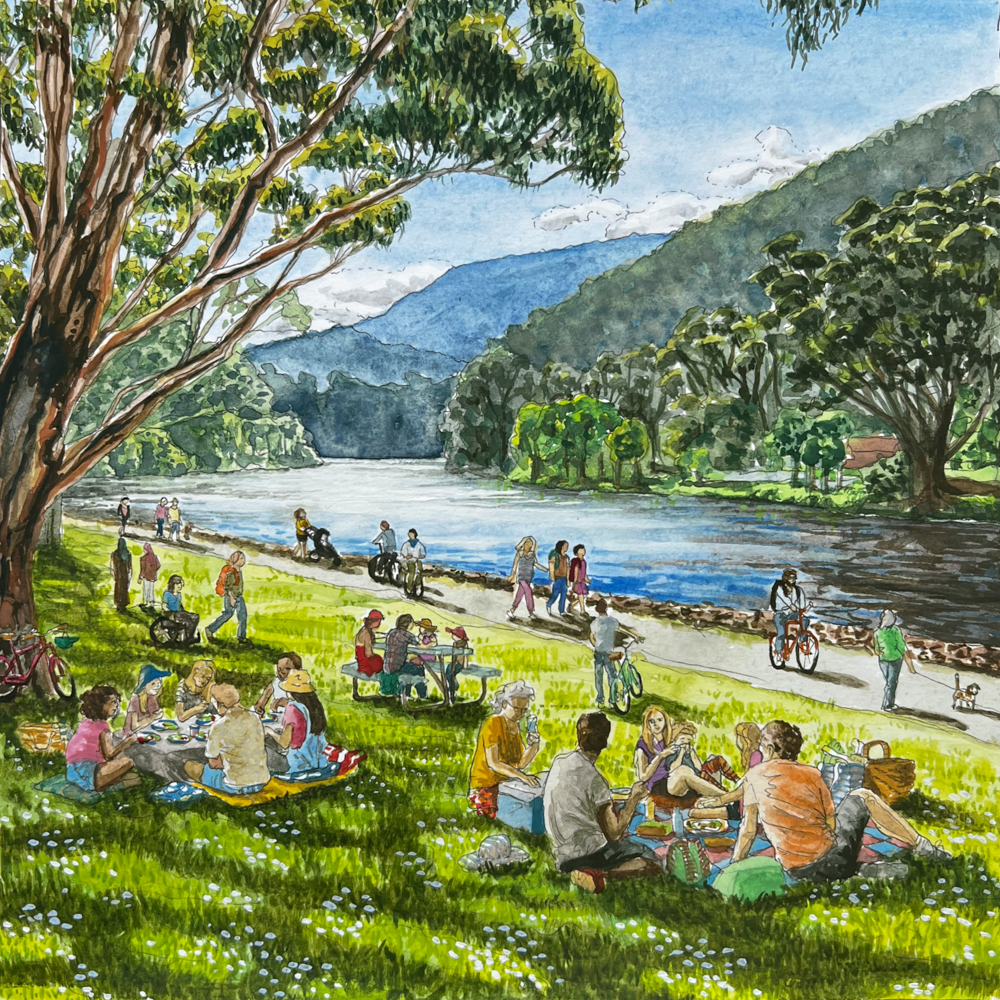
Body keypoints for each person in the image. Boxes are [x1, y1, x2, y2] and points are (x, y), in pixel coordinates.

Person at [731, 720, 950, 880]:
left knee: (830, 854)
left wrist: (735, 865)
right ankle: (923, 848)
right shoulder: (812, 774)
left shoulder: (754, 776)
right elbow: (831, 821)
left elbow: (748, 830)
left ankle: (859, 872)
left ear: (769, 749)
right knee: (862, 796)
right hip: (832, 859)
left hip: (796, 871)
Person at [543, 711, 661, 894]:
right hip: (587, 854)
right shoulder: (596, 781)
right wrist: (634, 798)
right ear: (604, 742)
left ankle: (587, 873)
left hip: (560, 853)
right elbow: (614, 834)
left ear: (579, 737)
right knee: (651, 859)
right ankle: (599, 876)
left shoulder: (559, 762)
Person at [468, 680, 541, 817]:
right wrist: (522, 777)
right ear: (504, 704)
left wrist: (534, 745)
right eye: (517, 708)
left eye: (524, 710)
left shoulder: (514, 726)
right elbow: (494, 763)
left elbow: (520, 764)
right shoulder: (493, 723)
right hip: (485, 786)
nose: (520, 714)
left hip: (506, 785)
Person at [184, 683, 269, 795]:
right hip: (260, 782)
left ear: (220, 705)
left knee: (190, 766)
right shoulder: (255, 717)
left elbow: (214, 764)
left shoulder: (218, 726)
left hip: (233, 786)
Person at [66, 686, 140, 793]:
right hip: (88, 773)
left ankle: (109, 781)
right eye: (112, 702)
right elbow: (109, 755)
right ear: (100, 705)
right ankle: (113, 786)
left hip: (72, 771)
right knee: (128, 762)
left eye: (116, 702)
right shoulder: (102, 727)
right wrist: (127, 743)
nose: (116, 706)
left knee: (118, 765)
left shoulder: (86, 722)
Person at [266, 667, 329, 773]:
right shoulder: (315, 707)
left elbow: (284, 743)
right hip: (317, 762)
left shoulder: (292, 708)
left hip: (297, 764)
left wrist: (269, 730)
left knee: (264, 745)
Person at [867, 609, 916, 712]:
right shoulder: (895, 631)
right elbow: (902, 649)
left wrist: (882, 653)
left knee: (889, 683)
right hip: (895, 660)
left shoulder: (878, 632)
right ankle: (887, 705)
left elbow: (877, 650)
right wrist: (910, 666)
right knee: (891, 683)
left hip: (883, 660)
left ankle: (888, 703)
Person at [205, 551, 249, 644]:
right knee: (227, 614)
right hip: (231, 597)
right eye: (241, 558)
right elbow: (228, 587)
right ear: (235, 560)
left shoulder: (239, 571)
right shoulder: (231, 572)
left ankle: (241, 637)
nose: (243, 561)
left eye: (243, 558)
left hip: (239, 596)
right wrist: (231, 598)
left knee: (243, 616)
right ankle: (210, 629)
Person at [382, 613, 427, 699]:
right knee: (419, 669)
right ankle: (422, 695)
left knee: (410, 668)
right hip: (397, 667)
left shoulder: (391, 632)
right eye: (412, 623)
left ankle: (407, 694)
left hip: (387, 666)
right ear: (408, 624)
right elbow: (418, 643)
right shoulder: (406, 634)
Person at [122, 663, 170, 737]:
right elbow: (135, 726)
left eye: (159, 683)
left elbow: (155, 718)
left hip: (148, 732)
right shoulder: (135, 700)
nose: (157, 686)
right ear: (144, 686)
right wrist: (153, 717)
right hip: (132, 736)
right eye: (153, 684)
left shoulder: (152, 697)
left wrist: (156, 716)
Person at [506, 536, 546, 621]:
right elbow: (515, 565)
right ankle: (531, 613)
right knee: (529, 592)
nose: (528, 545)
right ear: (523, 544)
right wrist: (512, 575)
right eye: (527, 543)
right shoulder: (520, 553)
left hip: (528, 578)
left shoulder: (532, 555)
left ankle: (511, 611)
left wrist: (546, 570)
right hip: (521, 577)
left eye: (530, 544)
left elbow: (536, 564)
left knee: (519, 595)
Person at [590, 599, 619, 707]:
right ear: (606, 608)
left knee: (599, 676)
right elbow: (619, 629)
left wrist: (596, 644)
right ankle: (613, 699)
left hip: (598, 651)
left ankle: (600, 699)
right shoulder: (613, 621)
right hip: (608, 652)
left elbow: (592, 636)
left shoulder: (595, 623)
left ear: (597, 610)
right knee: (612, 676)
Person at [770, 568, 810, 648]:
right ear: (785, 578)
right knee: (781, 633)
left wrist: (803, 608)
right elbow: (785, 599)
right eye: (790, 578)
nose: (792, 580)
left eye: (794, 578)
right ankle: (779, 650)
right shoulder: (779, 587)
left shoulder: (798, 590)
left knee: (805, 620)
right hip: (780, 613)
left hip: (792, 613)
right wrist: (792, 606)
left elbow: (802, 602)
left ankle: (802, 641)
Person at [160, 573, 200, 643]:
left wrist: (185, 612)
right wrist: (169, 613)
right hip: (173, 614)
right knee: (188, 621)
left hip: (180, 613)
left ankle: (190, 637)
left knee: (196, 616)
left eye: (180, 583)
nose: (180, 585)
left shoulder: (178, 595)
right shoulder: (167, 594)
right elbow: (164, 606)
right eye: (177, 583)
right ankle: (188, 638)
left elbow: (179, 606)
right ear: (173, 584)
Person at [354, 610, 385, 677]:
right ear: (375, 621)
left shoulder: (364, 630)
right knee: (379, 661)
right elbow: (368, 654)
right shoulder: (367, 634)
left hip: (361, 661)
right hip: (365, 664)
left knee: (379, 659)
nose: (380, 624)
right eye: (379, 621)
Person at [445, 625, 470, 701]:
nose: (452, 636)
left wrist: (465, 665)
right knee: (448, 672)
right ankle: (453, 688)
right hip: (454, 663)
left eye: (454, 635)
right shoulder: (455, 644)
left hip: (460, 664)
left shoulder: (464, 644)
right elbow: (453, 656)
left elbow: (466, 656)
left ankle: (453, 688)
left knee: (450, 673)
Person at [545, 540, 570, 617]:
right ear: (561, 546)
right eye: (566, 545)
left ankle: (562, 611)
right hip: (557, 578)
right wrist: (552, 576)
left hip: (564, 578)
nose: (567, 547)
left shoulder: (567, 557)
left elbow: (568, 569)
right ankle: (549, 604)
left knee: (563, 595)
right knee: (555, 594)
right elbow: (551, 565)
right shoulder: (555, 556)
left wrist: (568, 580)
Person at [109, 536, 133, 612]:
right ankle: (123, 605)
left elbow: (111, 565)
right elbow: (130, 566)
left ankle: (118, 605)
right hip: (125, 574)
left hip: (117, 574)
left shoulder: (114, 554)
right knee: (124, 589)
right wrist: (130, 575)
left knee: (118, 589)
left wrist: (112, 573)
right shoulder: (128, 553)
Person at [568, 544, 590, 616]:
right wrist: (574, 582)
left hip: (582, 582)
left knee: (583, 596)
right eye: (581, 549)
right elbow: (575, 571)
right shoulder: (576, 561)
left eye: (583, 549)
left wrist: (587, 580)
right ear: (577, 552)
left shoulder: (584, 561)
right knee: (580, 596)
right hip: (578, 582)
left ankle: (571, 605)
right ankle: (583, 611)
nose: (583, 551)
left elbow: (584, 572)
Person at [138, 543, 161, 610]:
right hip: (153, 577)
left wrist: (140, 577)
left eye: (144, 549)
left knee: (146, 590)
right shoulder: (154, 557)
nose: (143, 550)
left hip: (146, 576)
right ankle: (151, 604)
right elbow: (158, 565)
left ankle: (146, 603)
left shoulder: (143, 558)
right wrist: (153, 571)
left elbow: (142, 569)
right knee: (151, 591)